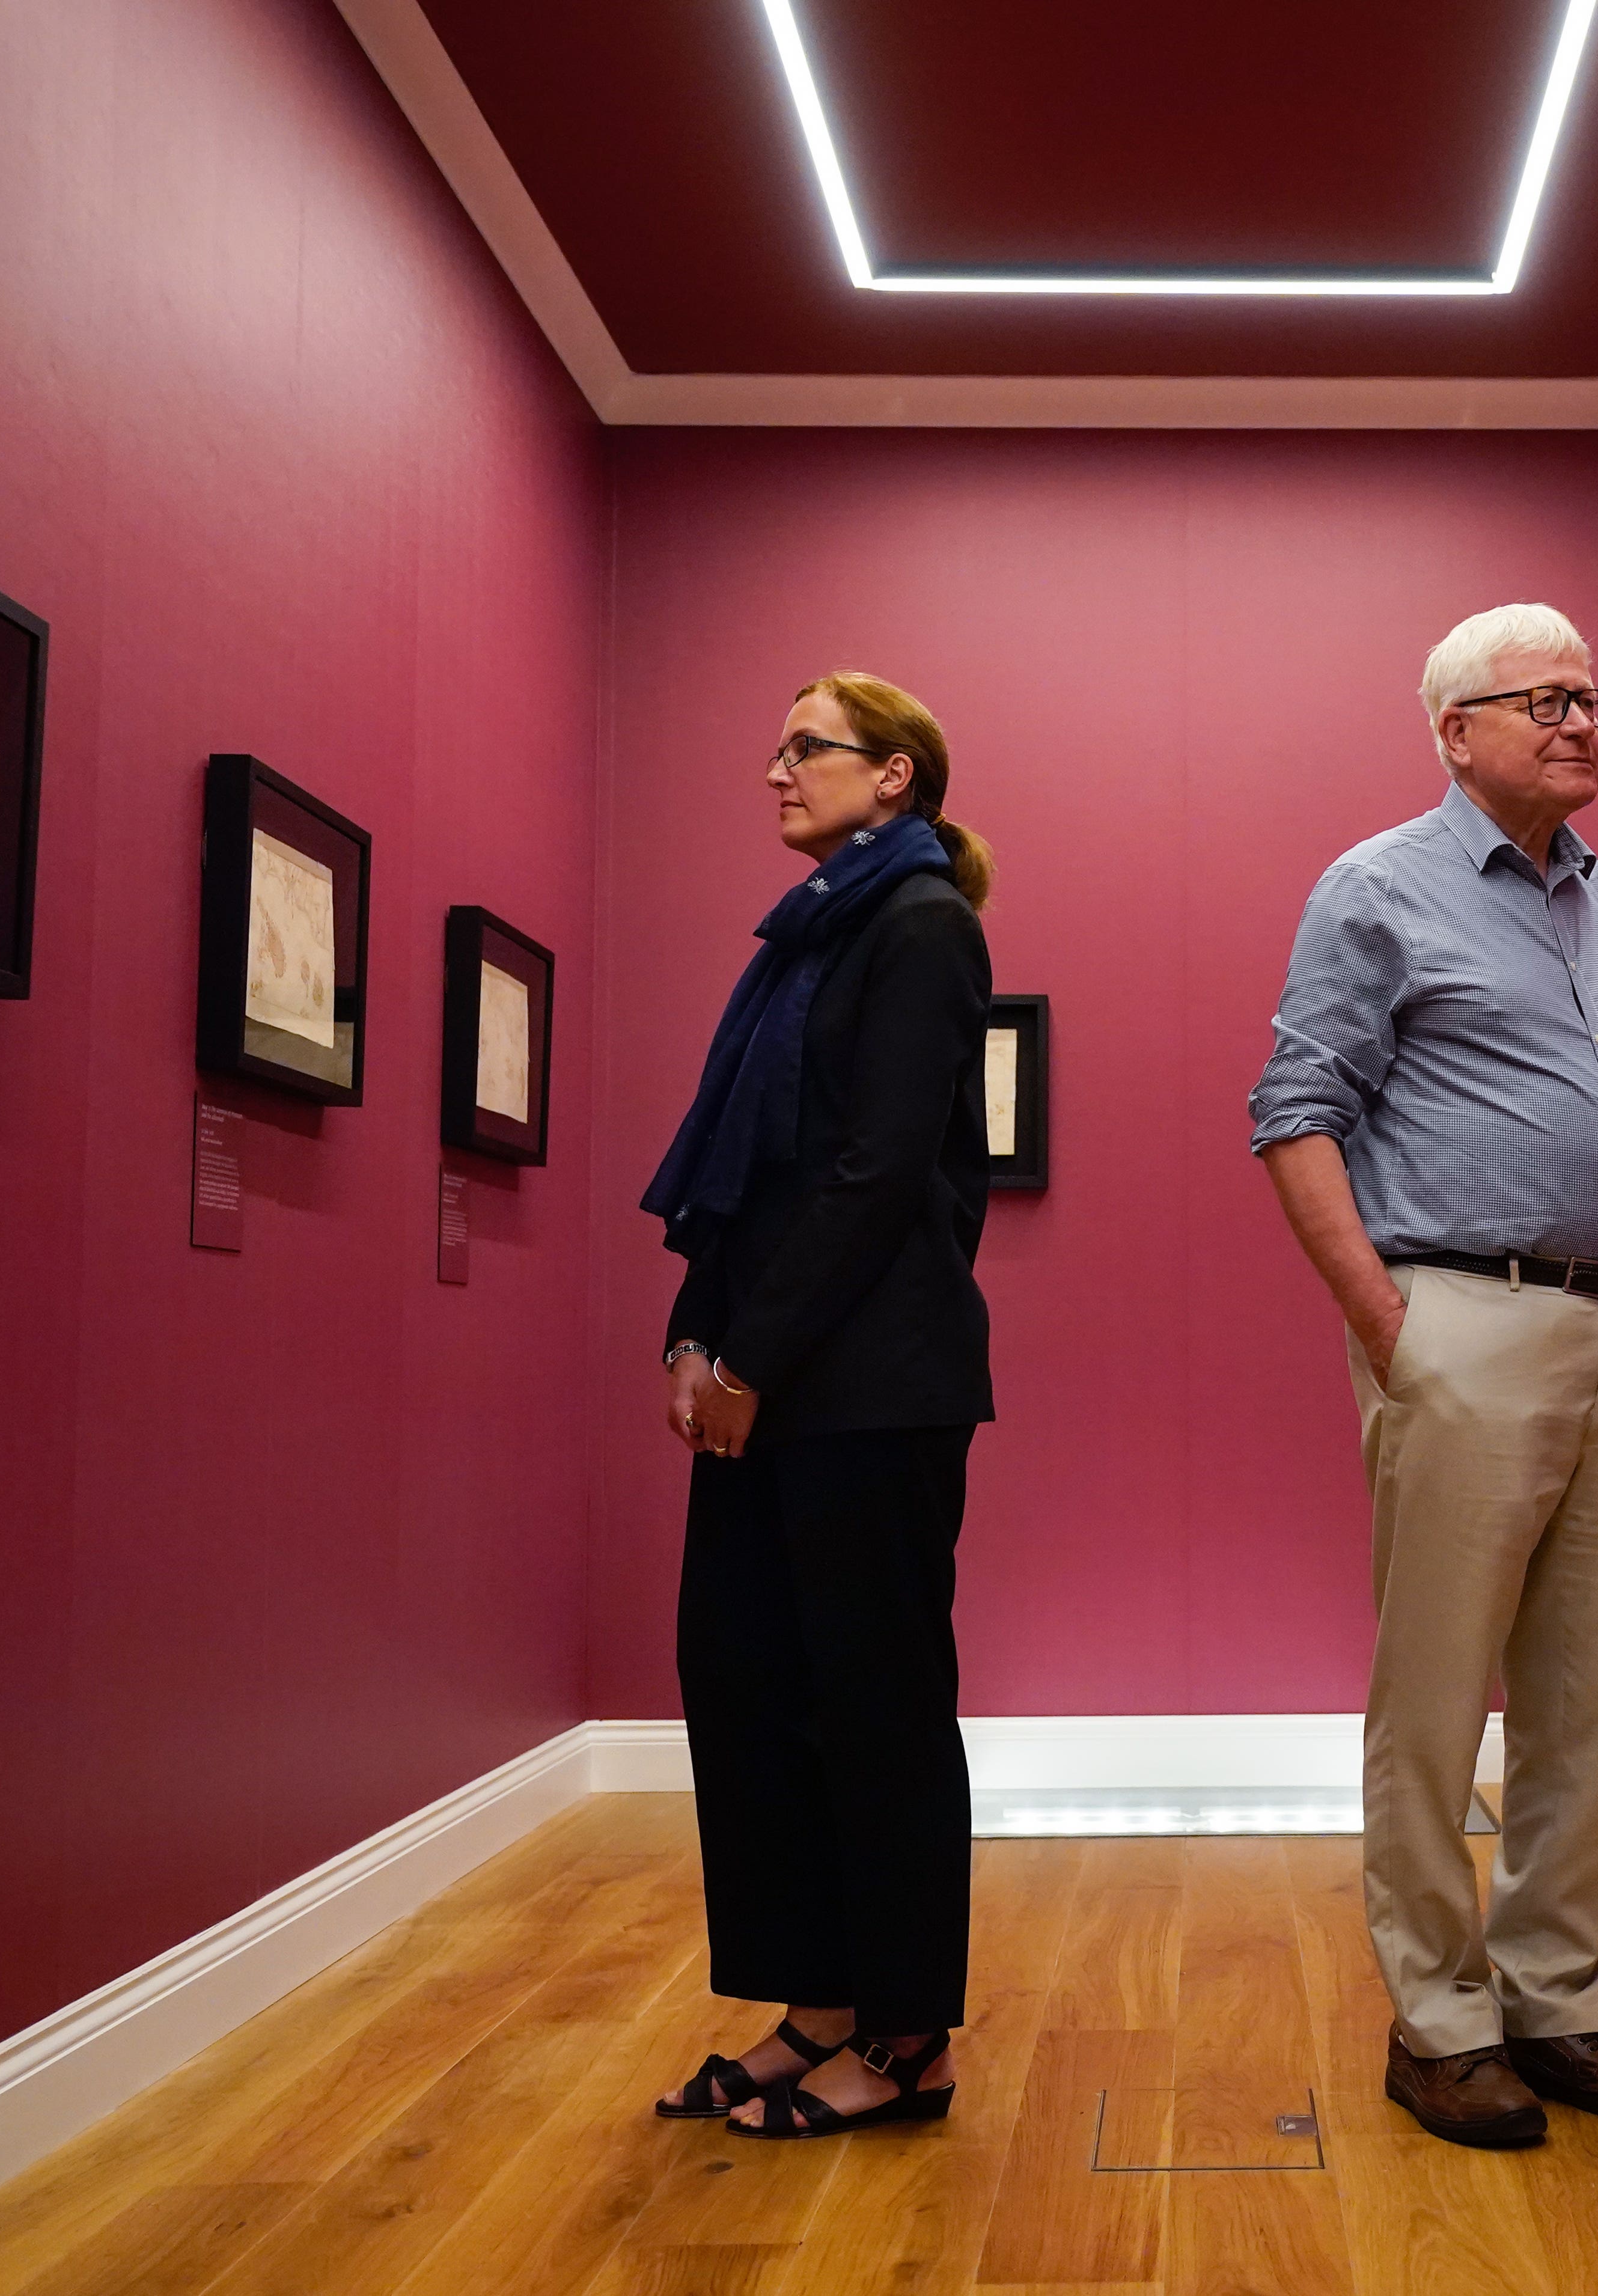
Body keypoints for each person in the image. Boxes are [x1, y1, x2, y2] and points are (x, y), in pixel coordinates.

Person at [1248, 602, 1598, 2148]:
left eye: (1595, 696)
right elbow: (1292, 1111)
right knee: (1437, 1691)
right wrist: (1392, 1325)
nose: (1582, 722)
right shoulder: (1377, 886)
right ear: (1457, 731)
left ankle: (1556, 1999)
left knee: (1597, 1692)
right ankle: (1440, 2020)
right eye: (1544, 701)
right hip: (1466, 1318)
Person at [639, 671, 996, 2139]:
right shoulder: (804, 940)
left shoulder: (922, 927)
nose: (774, 768)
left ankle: (910, 2031)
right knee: (749, 1684)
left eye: (807, 746)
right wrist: (692, 1332)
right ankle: (824, 1998)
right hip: (772, 1377)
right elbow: (749, 1170)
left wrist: (749, 1358)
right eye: (775, 741)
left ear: (895, 777)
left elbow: (875, 1175)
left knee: (876, 1706)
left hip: (871, 1386)